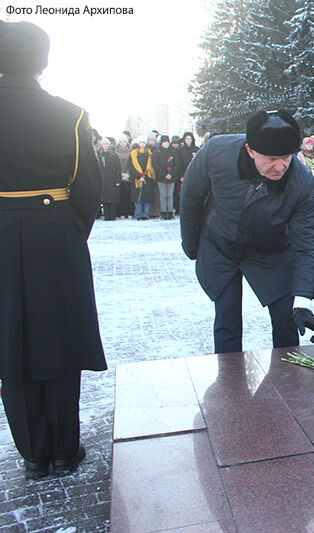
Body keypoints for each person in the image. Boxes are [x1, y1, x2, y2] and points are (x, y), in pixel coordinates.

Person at [0, 21, 106, 479]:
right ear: (42, 62)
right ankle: (64, 449)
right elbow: (88, 188)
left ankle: (33, 453)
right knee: (59, 337)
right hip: (55, 231)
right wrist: (70, 231)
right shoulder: (70, 114)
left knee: (10, 340)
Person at [180, 110, 314, 351]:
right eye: (271, 159)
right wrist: (191, 244)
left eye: (286, 157)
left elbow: (306, 242)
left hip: (271, 249)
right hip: (220, 244)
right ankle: (229, 373)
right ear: (250, 150)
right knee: (227, 318)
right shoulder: (217, 153)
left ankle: (288, 371)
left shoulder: (301, 181)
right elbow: (191, 197)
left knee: (286, 317)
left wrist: (302, 302)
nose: (280, 167)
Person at [128, 137, 156, 220]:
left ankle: (145, 214)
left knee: (146, 198)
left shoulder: (149, 153)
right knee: (138, 198)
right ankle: (138, 214)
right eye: (141, 142)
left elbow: (152, 165)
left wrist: (146, 176)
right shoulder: (133, 154)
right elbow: (130, 166)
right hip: (137, 179)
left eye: (144, 142)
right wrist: (138, 176)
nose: (142, 144)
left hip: (147, 178)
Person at [153, 135, 177, 220]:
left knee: (170, 195)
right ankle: (163, 212)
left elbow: (176, 164)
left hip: (171, 177)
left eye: (167, 142)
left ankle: (170, 212)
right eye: (164, 142)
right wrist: (164, 174)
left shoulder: (173, 152)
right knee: (163, 195)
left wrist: (171, 174)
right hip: (161, 177)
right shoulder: (157, 152)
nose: (166, 144)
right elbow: (155, 165)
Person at [175, 131, 199, 215]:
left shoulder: (196, 149)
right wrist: (181, 176)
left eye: (190, 139)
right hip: (184, 175)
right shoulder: (181, 150)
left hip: (195, 175)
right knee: (184, 194)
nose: (188, 141)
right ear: (184, 140)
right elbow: (179, 164)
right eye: (187, 139)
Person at [98, 138, 122, 220]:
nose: (105, 146)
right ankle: (106, 215)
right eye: (104, 144)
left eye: (107, 144)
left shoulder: (114, 155)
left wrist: (118, 180)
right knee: (104, 199)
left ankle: (112, 215)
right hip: (103, 180)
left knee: (113, 199)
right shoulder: (99, 155)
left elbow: (118, 169)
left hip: (112, 179)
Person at [297, 136, 314, 209]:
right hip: (304, 178)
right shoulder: (300, 154)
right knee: (305, 194)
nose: (309, 146)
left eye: (311, 144)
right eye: (307, 144)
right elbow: (298, 165)